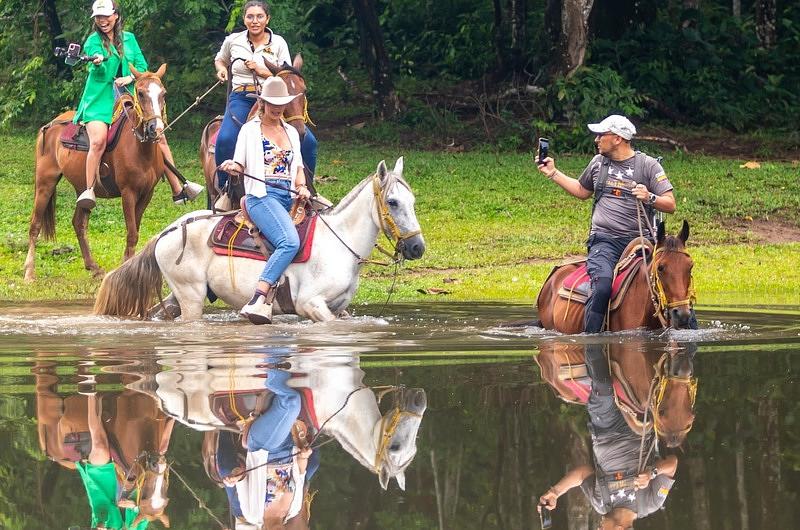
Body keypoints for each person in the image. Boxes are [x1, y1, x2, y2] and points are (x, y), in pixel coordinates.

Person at [536, 115, 677, 333]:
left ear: (618, 138)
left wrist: (649, 197)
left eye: (602, 135)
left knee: (672, 278)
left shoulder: (648, 166)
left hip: (641, 244)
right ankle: (592, 340)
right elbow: (582, 191)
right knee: (602, 286)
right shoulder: (598, 164)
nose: (597, 139)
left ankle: (689, 335)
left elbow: (670, 204)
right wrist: (553, 172)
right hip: (605, 242)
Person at [74, 0, 203, 210]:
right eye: (98, 17)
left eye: (106, 16)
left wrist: (129, 78)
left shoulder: (129, 39)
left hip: (128, 97)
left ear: (115, 15)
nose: (102, 21)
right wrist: (98, 63)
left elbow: (142, 67)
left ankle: (178, 187)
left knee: (159, 135)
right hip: (100, 100)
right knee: (97, 140)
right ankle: (89, 189)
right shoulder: (92, 41)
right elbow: (98, 74)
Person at [538, 344, 678, 529]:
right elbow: (673, 464)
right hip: (640, 429)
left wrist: (555, 492)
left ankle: (593, 343)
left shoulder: (600, 505)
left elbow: (581, 474)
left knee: (603, 385)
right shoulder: (651, 503)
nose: (598, 528)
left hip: (604, 427)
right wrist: (651, 473)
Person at [219, 76, 311, 324]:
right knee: (289, 242)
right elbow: (239, 162)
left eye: (281, 103)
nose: (277, 107)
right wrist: (233, 166)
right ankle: (258, 297)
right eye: (272, 102)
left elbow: (298, 167)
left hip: (288, 197)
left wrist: (302, 186)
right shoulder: (250, 130)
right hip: (261, 195)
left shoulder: (291, 131)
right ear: (262, 102)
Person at [214, 0, 318, 192]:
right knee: (225, 139)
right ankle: (223, 185)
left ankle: (308, 189)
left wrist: (263, 72)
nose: (255, 21)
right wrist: (221, 70)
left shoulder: (278, 43)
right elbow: (220, 59)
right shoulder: (233, 40)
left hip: (273, 97)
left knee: (309, 141)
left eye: (260, 16)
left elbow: (287, 76)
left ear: (267, 19)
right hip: (242, 96)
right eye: (250, 16)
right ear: (244, 19)